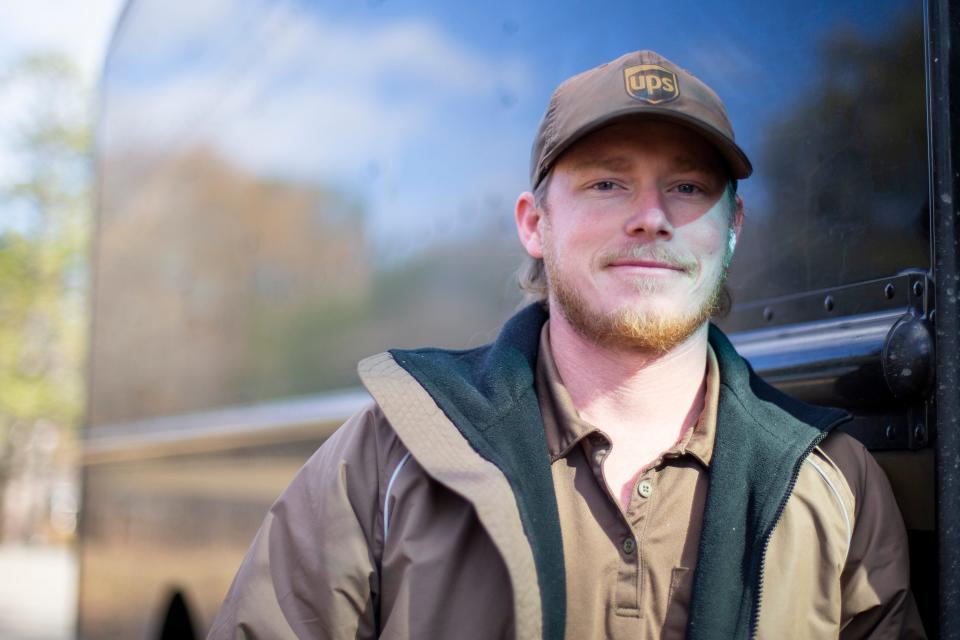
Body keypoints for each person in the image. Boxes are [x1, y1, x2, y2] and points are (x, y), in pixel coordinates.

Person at [209, 50, 925, 639]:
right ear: (534, 223)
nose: (650, 217)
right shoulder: (390, 457)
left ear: (732, 229)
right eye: (608, 183)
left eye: (685, 186)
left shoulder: (833, 483)